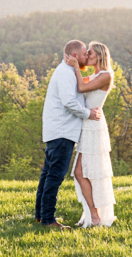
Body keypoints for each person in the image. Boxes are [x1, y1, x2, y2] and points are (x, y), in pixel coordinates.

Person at [35, 40, 103, 230]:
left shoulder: (67, 71)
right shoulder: (66, 74)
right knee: (55, 176)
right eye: (84, 54)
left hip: (56, 130)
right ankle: (48, 219)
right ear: (74, 56)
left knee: (47, 174)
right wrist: (88, 113)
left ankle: (40, 216)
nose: (86, 57)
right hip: (62, 132)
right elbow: (69, 103)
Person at [64, 40, 116, 227]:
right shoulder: (96, 75)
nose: (87, 56)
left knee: (81, 172)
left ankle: (95, 216)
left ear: (100, 56)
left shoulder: (106, 75)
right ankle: (92, 214)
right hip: (88, 124)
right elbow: (76, 84)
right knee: (83, 172)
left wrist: (76, 67)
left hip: (94, 126)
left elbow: (81, 88)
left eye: (90, 53)